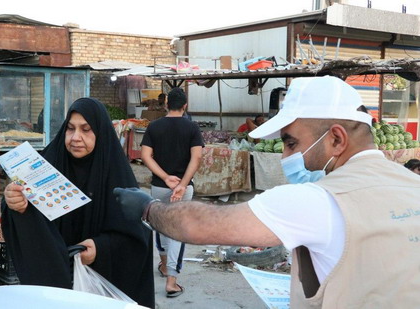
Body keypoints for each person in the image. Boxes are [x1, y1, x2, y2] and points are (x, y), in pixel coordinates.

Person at [114, 76, 420, 307]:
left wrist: (148, 208)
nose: (285, 157)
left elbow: (198, 224)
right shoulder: (412, 185)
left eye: (291, 143)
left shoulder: (318, 200)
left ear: (337, 140)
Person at [1, 98, 155, 308]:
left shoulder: (115, 172)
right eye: (70, 128)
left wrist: (101, 248)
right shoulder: (48, 163)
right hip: (54, 285)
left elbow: (137, 236)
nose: (76, 137)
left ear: (100, 132)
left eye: (86, 129)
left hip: (101, 290)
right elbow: (23, 211)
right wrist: (15, 203)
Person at [140, 87, 204, 298]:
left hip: (159, 185)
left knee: (161, 226)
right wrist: (182, 185)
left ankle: (165, 264)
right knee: (178, 231)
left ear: (166, 104)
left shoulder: (154, 127)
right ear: (185, 106)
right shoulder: (192, 128)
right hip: (183, 189)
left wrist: (166, 177)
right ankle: (172, 281)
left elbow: (146, 156)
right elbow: (196, 159)